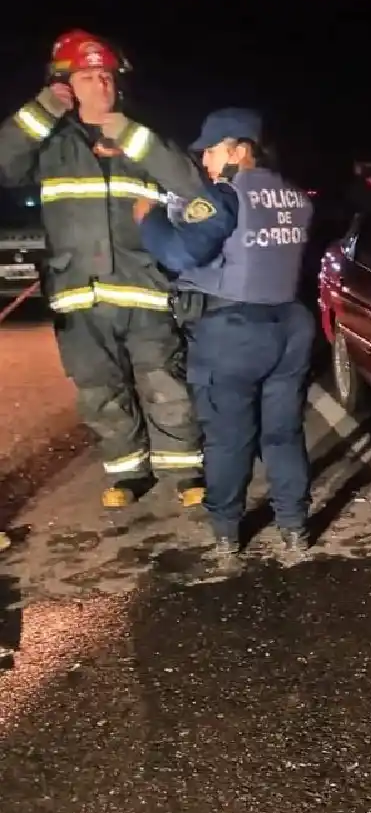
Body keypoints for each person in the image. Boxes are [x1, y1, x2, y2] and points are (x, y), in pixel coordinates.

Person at [0, 29, 205, 508]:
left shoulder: (141, 138)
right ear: (65, 86)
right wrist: (42, 111)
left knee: (164, 382)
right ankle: (127, 471)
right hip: (77, 293)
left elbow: (189, 182)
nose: (102, 85)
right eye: (90, 76)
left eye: (107, 77)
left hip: (143, 289)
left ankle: (184, 470)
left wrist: (130, 135)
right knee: (99, 390)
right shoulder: (51, 145)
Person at [122, 108, 316, 555]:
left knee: (229, 437)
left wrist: (148, 218)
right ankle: (294, 525)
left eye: (210, 150)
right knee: (283, 434)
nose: (204, 161)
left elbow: (179, 253)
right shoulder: (295, 196)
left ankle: (227, 530)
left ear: (239, 149)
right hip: (290, 326)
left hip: (233, 331)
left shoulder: (225, 195)